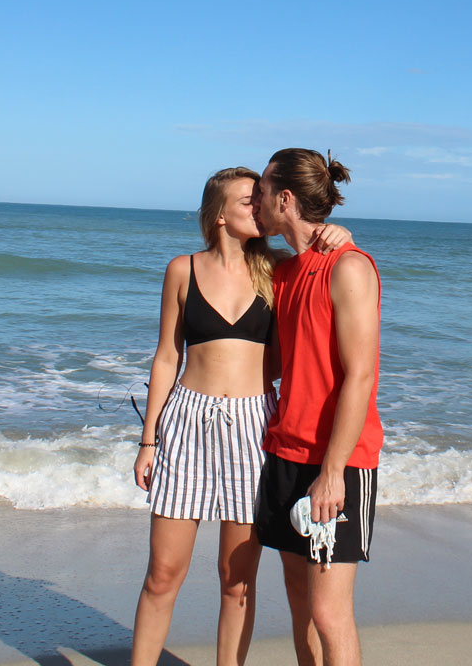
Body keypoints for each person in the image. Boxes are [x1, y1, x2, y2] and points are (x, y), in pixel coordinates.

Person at [130, 167, 349, 666]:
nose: (261, 206)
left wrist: (341, 233)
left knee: (237, 581)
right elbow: (167, 356)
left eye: (262, 199)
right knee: (163, 573)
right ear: (220, 214)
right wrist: (148, 441)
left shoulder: (276, 270)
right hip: (187, 423)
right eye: (249, 201)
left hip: (253, 425)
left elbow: (329, 259)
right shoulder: (181, 269)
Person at [251, 149, 382, 666]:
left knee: (330, 615)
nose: (256, 200)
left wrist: (332, 475)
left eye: (262, 191)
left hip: (339, 463)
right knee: (301, 607)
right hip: (286, 453)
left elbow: (361, 376)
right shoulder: (282, 273)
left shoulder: (349, 267)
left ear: (285, 198)